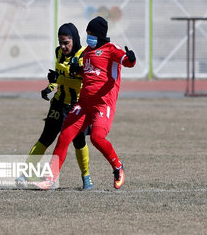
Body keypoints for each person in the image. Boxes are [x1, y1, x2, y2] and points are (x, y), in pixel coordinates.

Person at [35, 16, 136, 190]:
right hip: (83, 103)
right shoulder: (88, 51)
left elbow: (127, 61)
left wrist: (131, 59)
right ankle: (50, 178)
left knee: (97, 138)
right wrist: (78, 69)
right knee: (64, 136)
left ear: (99, 34)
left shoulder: (111, 48)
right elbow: (89, 72)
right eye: (87, 33)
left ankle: (118, 167)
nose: (88, 37)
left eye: (91, 34)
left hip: (103, 104)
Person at [16, 23, 93, 190]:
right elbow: (58, 77)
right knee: (45, 137)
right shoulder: (58, 53)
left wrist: (59, 79)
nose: (63, 46)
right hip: (58, 104)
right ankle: (26, 173)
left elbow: (82, 83)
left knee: (79, 142)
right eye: (60, 42)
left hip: (77, 107)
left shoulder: (84, 56)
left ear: (75, 39)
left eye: (66, 42)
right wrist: (50, 87)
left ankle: (86, 177)